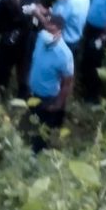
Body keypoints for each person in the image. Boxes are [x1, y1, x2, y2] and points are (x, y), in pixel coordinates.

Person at [24, 14, 74, 153]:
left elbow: (67, 83)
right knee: (32, 124)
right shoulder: (40, 38)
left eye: (52, 30)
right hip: (34, 92)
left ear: (59, 31)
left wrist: (57, 104)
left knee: (42, 132)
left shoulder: (64, 55)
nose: (47, 32)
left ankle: (38, 155)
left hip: (48, 98)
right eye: (47, 28)